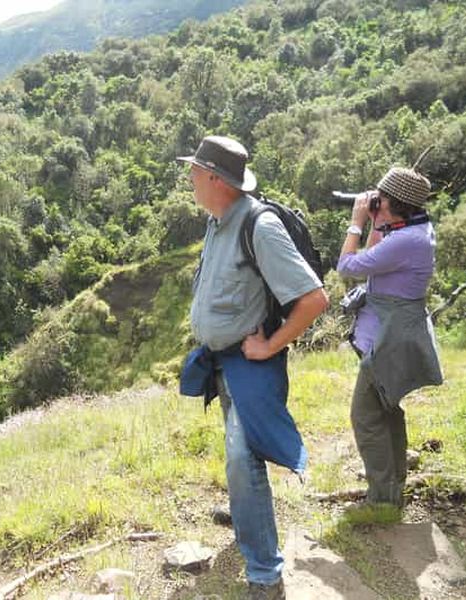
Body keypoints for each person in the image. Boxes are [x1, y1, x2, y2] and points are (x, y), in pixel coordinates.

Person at [178, 136, 328, 600]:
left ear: (215, 179)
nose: (189, 178)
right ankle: (247, 516)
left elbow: (313, 299)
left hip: (251, 365)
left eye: (195, 171)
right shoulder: (218, 221)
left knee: (244, 459)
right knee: (237, 452)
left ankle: (265, 575)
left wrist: (270, 346)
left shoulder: (259, 227)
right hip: (223, 362)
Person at [337, 166, 443, 507]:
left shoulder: (406, 241)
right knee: (387, 408)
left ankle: (383, 499)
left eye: (379, 200)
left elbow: (348, 266)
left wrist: (356, 221)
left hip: (389, 339)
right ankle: (394, 484)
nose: (373, 204)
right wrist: (376, 221)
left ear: (393, 205)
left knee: (365, 415)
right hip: (395, 332)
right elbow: (372, 260)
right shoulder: (415, 229)